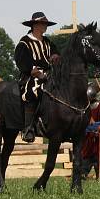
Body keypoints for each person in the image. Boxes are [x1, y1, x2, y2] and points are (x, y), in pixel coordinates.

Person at [15, 12, 60, 143]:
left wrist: (56, 57)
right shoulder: (25, 42)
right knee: (33, 91)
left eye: (46, 24)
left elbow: (56, 54)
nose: (45, 26)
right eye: (43, 24)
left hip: (49, 73)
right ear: (35, 25)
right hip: (31, 75)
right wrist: (37, 73)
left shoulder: (47, 42)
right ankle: (28, 128)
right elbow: (21, 61)